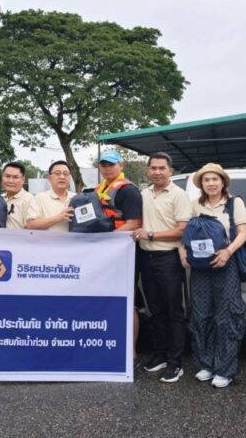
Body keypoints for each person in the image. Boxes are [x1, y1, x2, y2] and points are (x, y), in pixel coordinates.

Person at [180, 163, 246, 388]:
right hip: (200, 268)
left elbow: (243, 234)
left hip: (225, 265)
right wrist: (182, 253)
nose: (211, 183)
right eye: (206, 180)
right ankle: (206, 364)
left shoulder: (234, 203)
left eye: (215, 179)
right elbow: (185, 234)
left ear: (223, 182)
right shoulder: (195, 204)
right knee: (201, 316)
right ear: (201, 184)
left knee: (227, 317)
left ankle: (225, 369)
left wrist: (228, 252)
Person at [132, 152, 192, 383]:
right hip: (146, 258)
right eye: (153, 168)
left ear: (170, 171)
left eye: (162, 168)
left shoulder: (179, 195)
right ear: (148, 170)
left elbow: (182, 230)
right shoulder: (144, 194)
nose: (157, 172)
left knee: (174, 311)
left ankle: (175, 362)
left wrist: (151, 234)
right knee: (155, 310)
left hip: (169, 258)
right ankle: (160, 355)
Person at [96, 149, 143, 365]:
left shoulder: (129, 191)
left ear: (121, 166)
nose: (107, 168)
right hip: (105, 254)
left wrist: (106, 241)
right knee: (106, 301)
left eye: (111, 164)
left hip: (123, 253)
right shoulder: (100, 189)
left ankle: (131, 354)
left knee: (128, 302)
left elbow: (134, 223)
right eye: (104, 165)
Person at [26, 160, 76, 232]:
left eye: (65, 174)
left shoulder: (76, 198)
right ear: (49, 178)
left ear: (69, 177)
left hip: (74, 240)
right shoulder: (39, 198)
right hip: (47, 240)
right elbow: (30, 225)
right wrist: (58, 218)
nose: (62, 177)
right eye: (57, 173)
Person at [1, 162, 34, 229]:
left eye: (15, 177)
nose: (10, 181)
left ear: (23, 179)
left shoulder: (29, 200)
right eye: (7, 176)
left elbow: (31, 227)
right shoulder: (0, 198)